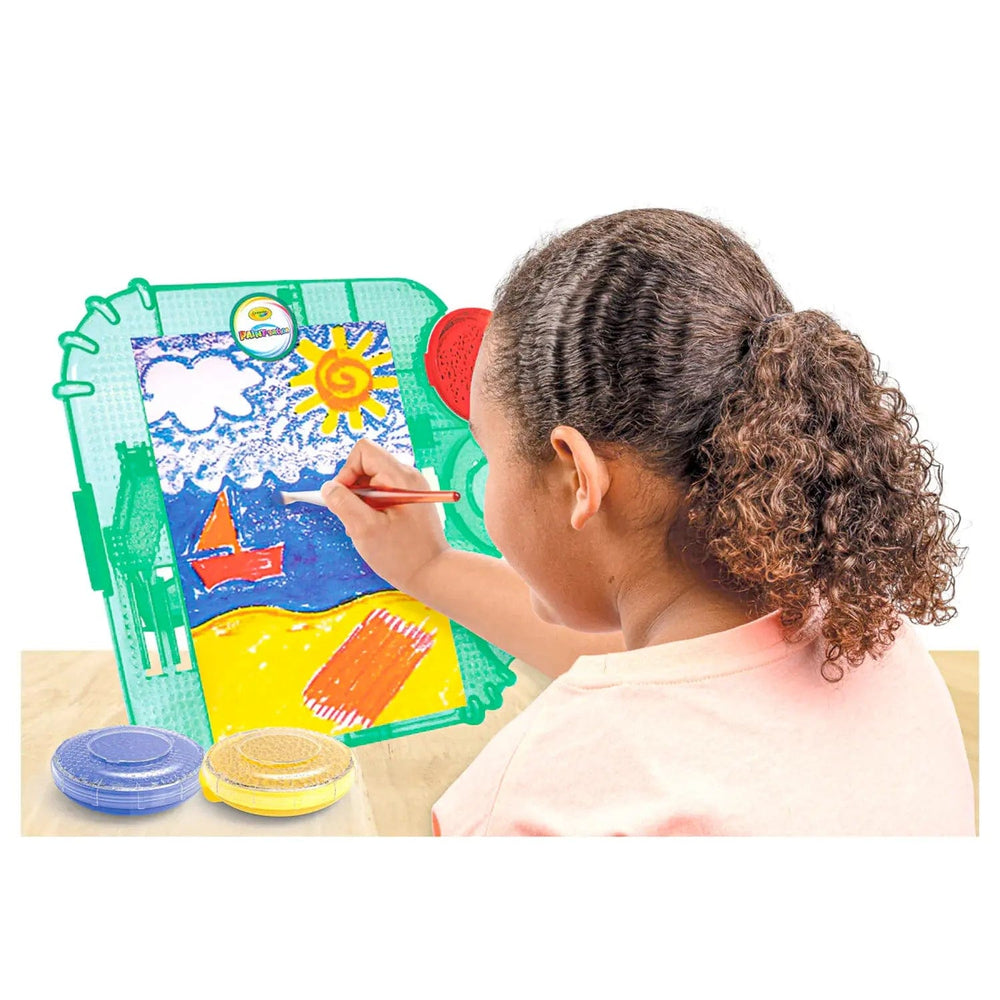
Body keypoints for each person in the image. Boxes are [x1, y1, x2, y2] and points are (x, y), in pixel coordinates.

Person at [321, 208, 974, 836]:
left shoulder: (556, 792)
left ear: (579, 477)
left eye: (488, 454)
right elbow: (663, 665)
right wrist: (428, 568)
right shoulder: (863, 622)